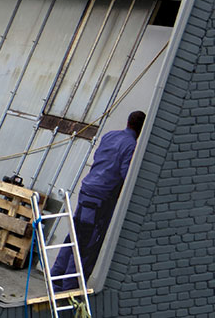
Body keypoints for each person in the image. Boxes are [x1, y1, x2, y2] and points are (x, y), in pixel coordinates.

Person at [50, 110, 146, 292]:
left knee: (75, 235)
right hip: (100, 198)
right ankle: (70, 287)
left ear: (128, 121)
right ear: (141, 128)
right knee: (86, 242)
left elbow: (99, 159)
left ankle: (56, 276)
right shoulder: (131, 145)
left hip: (87, 190)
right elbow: (125, 174)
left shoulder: (110, 136)